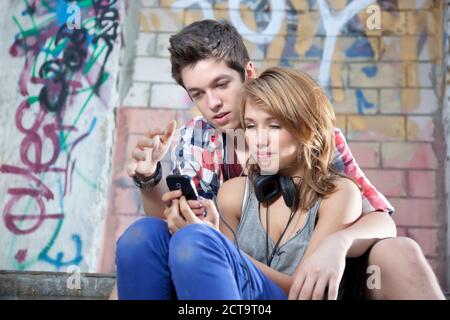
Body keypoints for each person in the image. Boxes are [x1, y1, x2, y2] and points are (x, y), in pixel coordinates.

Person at [115, 20, 444, 299]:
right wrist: (150, 179)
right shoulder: (197, 141)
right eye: (198, 94)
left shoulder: (319, 148)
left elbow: (378, 217)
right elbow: (177, 229)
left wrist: (338, 242)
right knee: (143, 235)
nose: (213, 103)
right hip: (214, 269)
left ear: (248, 73)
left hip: (289, 271)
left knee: (399, 250)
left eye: (221, 85)